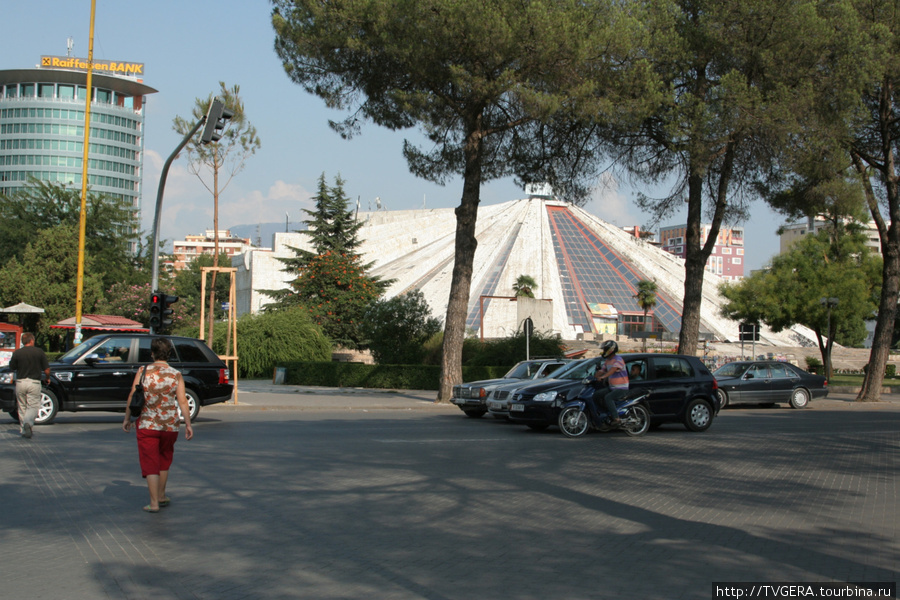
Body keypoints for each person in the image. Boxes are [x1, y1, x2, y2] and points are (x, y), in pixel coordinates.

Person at [123, 337, 193, 513]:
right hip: (170, 425)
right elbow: (183, 401)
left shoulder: (143, 371)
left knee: (150, 461)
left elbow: (133, 394)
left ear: (152, 353)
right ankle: (161, 496)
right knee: (164, 459)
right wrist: (188, 424)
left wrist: (127, 418)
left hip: (147, 423)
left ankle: (153, 503)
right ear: (168, 354)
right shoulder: (176, 374)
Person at [9, 332, 50, 439]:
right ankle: (28, 423)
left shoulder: (17, 353)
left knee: (22, 406)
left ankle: (23, 430)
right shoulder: (39, 352)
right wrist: (47, 378)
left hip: (21, 382)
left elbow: (12, 367)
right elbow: (46, 369)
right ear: (32, 340)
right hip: (34, 382)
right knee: (33, 405)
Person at [591, 340, 629, 426]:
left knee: (608, 398)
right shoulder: (608, 361)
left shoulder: (618, 360)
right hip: (612, 387)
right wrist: (594, 376)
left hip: (621, 388)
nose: (603, 351)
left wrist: (603, 377)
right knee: (596, 395)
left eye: (605, 349)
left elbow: (612, 370)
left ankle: (616, 418)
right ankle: (607, 412)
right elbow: (602, 370)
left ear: (610, 349)